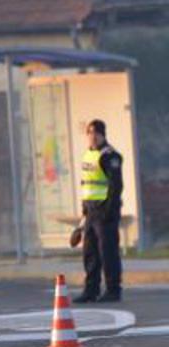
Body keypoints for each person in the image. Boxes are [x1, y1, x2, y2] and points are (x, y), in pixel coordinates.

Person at [72, 119, 123, 303]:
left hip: (105, 212)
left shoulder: (110, 156)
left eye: (96, 133)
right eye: (90, 133)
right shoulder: (88, 155)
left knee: (108, 252)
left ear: (103, 134)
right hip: (91, 212)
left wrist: (109, 210)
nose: (92, 137)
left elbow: (116, 186)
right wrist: (84, 212)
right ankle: (91, 290)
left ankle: (113, 289)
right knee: (90, 253)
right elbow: (87, 185)